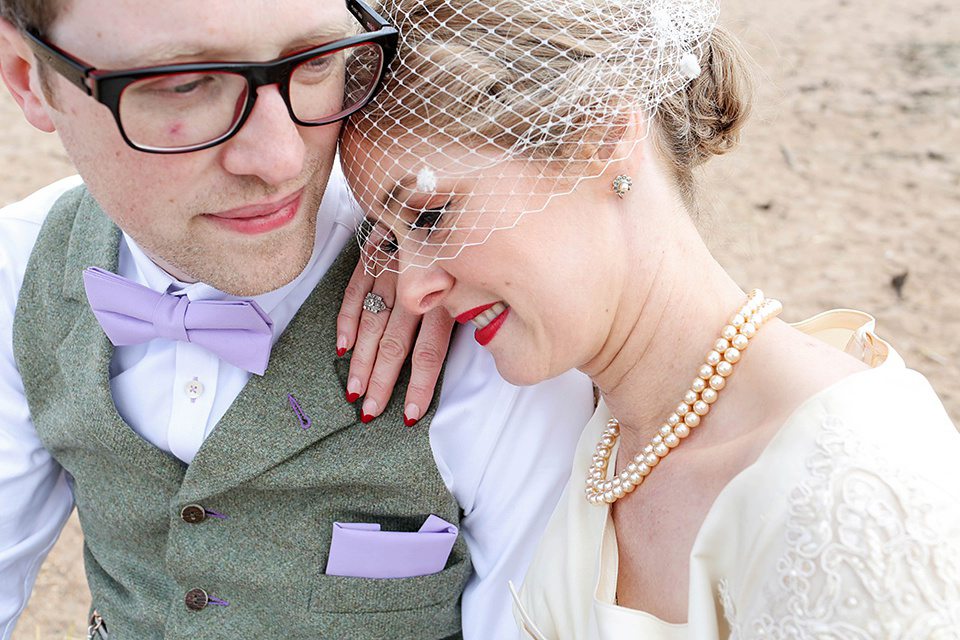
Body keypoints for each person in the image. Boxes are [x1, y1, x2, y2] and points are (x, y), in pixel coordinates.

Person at [339, 0, 960, 636]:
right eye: (386, 240)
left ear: (602, 133)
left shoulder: (855, 483)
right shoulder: (593, 442)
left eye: (428, 215)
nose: (412, 288)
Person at [0, 0, 595, 638]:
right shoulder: (21, 265)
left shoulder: (475, 312)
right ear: (28, 76)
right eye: (185, 85)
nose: (282, 160)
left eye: (315, 61)